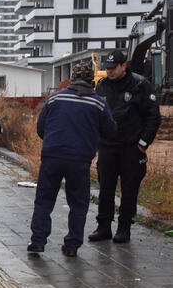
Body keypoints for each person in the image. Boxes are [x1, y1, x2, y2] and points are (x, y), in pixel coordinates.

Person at [28, 63, 117, 257]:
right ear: (91, 80)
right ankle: (72, 245)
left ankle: (37, 241)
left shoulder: (55, 98)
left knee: (44, 199)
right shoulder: (98, 103)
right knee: (78, 202)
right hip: (79, 159)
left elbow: (41, 128)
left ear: (71, 78)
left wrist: (55, 142)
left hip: (52, 155)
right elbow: (111, 132)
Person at [88, 49, 161, 243]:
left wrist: (143, 144)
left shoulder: (139, 85)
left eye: (113, 68)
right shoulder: (102, 86)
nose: (109, 72)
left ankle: (124, 228)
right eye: (107, 68)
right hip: (107, 147)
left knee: (129, 190)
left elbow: (153, 117)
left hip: (131, 148)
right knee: (105, 189)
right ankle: (103, 226)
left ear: (123, 66)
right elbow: (97, 114)